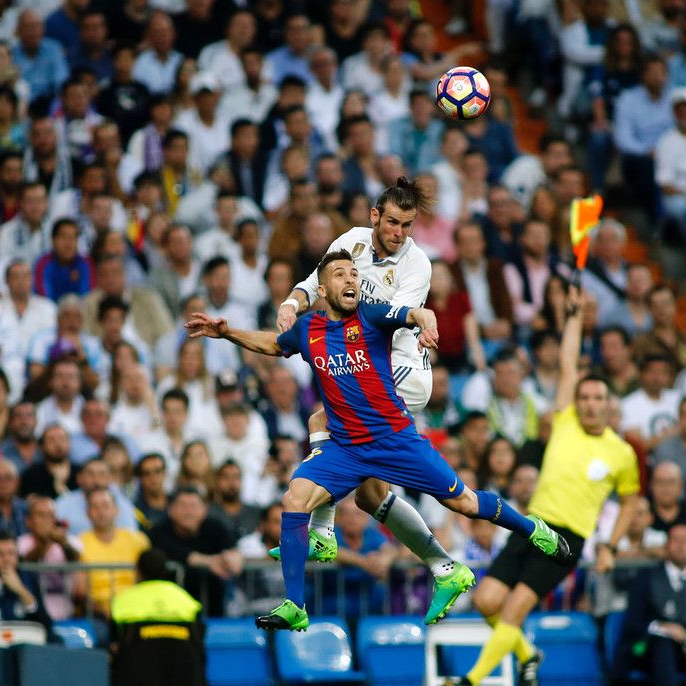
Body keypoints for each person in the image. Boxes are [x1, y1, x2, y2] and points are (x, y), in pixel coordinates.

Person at [186, 249, 572, 633]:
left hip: (395, 441)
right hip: (347, 449)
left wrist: (427, 322)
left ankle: (532, 529)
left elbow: (414, 313)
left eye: (354, 274)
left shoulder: (371, 317)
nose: (351, 280)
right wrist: (227, 333)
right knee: (294, 498)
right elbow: (273, 344)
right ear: (323, 289)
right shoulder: (308, 329)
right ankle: (296, 604)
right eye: (340, 274)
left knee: (465, 503)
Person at [268, 178, 478, 624]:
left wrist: (326, 320)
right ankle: (444, 567)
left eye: (408, 224)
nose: (399, 232)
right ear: (375, 216)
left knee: (322, 420)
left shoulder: (417, 265)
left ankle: (322, 530)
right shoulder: (351, 243)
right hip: (368, 366)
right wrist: (292, 303)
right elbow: (313, 282)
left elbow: (379, 321)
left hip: (402, 369)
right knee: (369, 495)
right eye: (393, 222)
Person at [450, 284, 640, 686]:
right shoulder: (565, 421)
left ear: (608, 403)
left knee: (514, 610)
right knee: (486, 601)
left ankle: (472, 680)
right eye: (584, 397)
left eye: (598, 398)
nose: (589, 403)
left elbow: (630, 501)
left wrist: (610, 545)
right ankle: (528, 654)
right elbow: (568, 363)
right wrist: (572, 315)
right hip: (531, 524)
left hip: (567, 538)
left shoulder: (621, 452)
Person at [613, 525, 686, 686]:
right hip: (648, 648)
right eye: (675, 540)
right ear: (666, 546)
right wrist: (662, 627)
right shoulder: (646, 578)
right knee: (664, 645)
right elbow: (633, 624)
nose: (681, 545)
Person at [110, 548, 206, 686]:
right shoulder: (185, 598)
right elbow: (199, 635)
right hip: (184, 673)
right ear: (165, 570)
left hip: (138, 674)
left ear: (138, 571)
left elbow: (114, 642)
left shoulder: (123, 600)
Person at [149, 487, 242, 617]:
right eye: (183, 506)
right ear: (171, 510)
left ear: (204, 510)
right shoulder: (160, 530)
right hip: (170, 607)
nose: (188, 512)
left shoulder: (216, 527)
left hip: (213, 606)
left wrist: (233, 559)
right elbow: (175, 551)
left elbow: (232, 551)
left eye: (193, 506)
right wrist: (209, 562)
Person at [78, 486, 150, 617]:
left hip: (136, 608)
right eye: (95, 507)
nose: (101, 512)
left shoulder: (138, 540)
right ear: (88, 513)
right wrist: (104, 611)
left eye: (105, 506)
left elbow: (148, 581)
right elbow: (81, 592)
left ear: (116, 510)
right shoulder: (79, 544)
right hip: (97, 613)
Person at [0, 530, 50, 630]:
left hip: (23, 638)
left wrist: (22, 591)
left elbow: (45, 626)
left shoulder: (29, 579)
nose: (6, 559)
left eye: (11, 553)